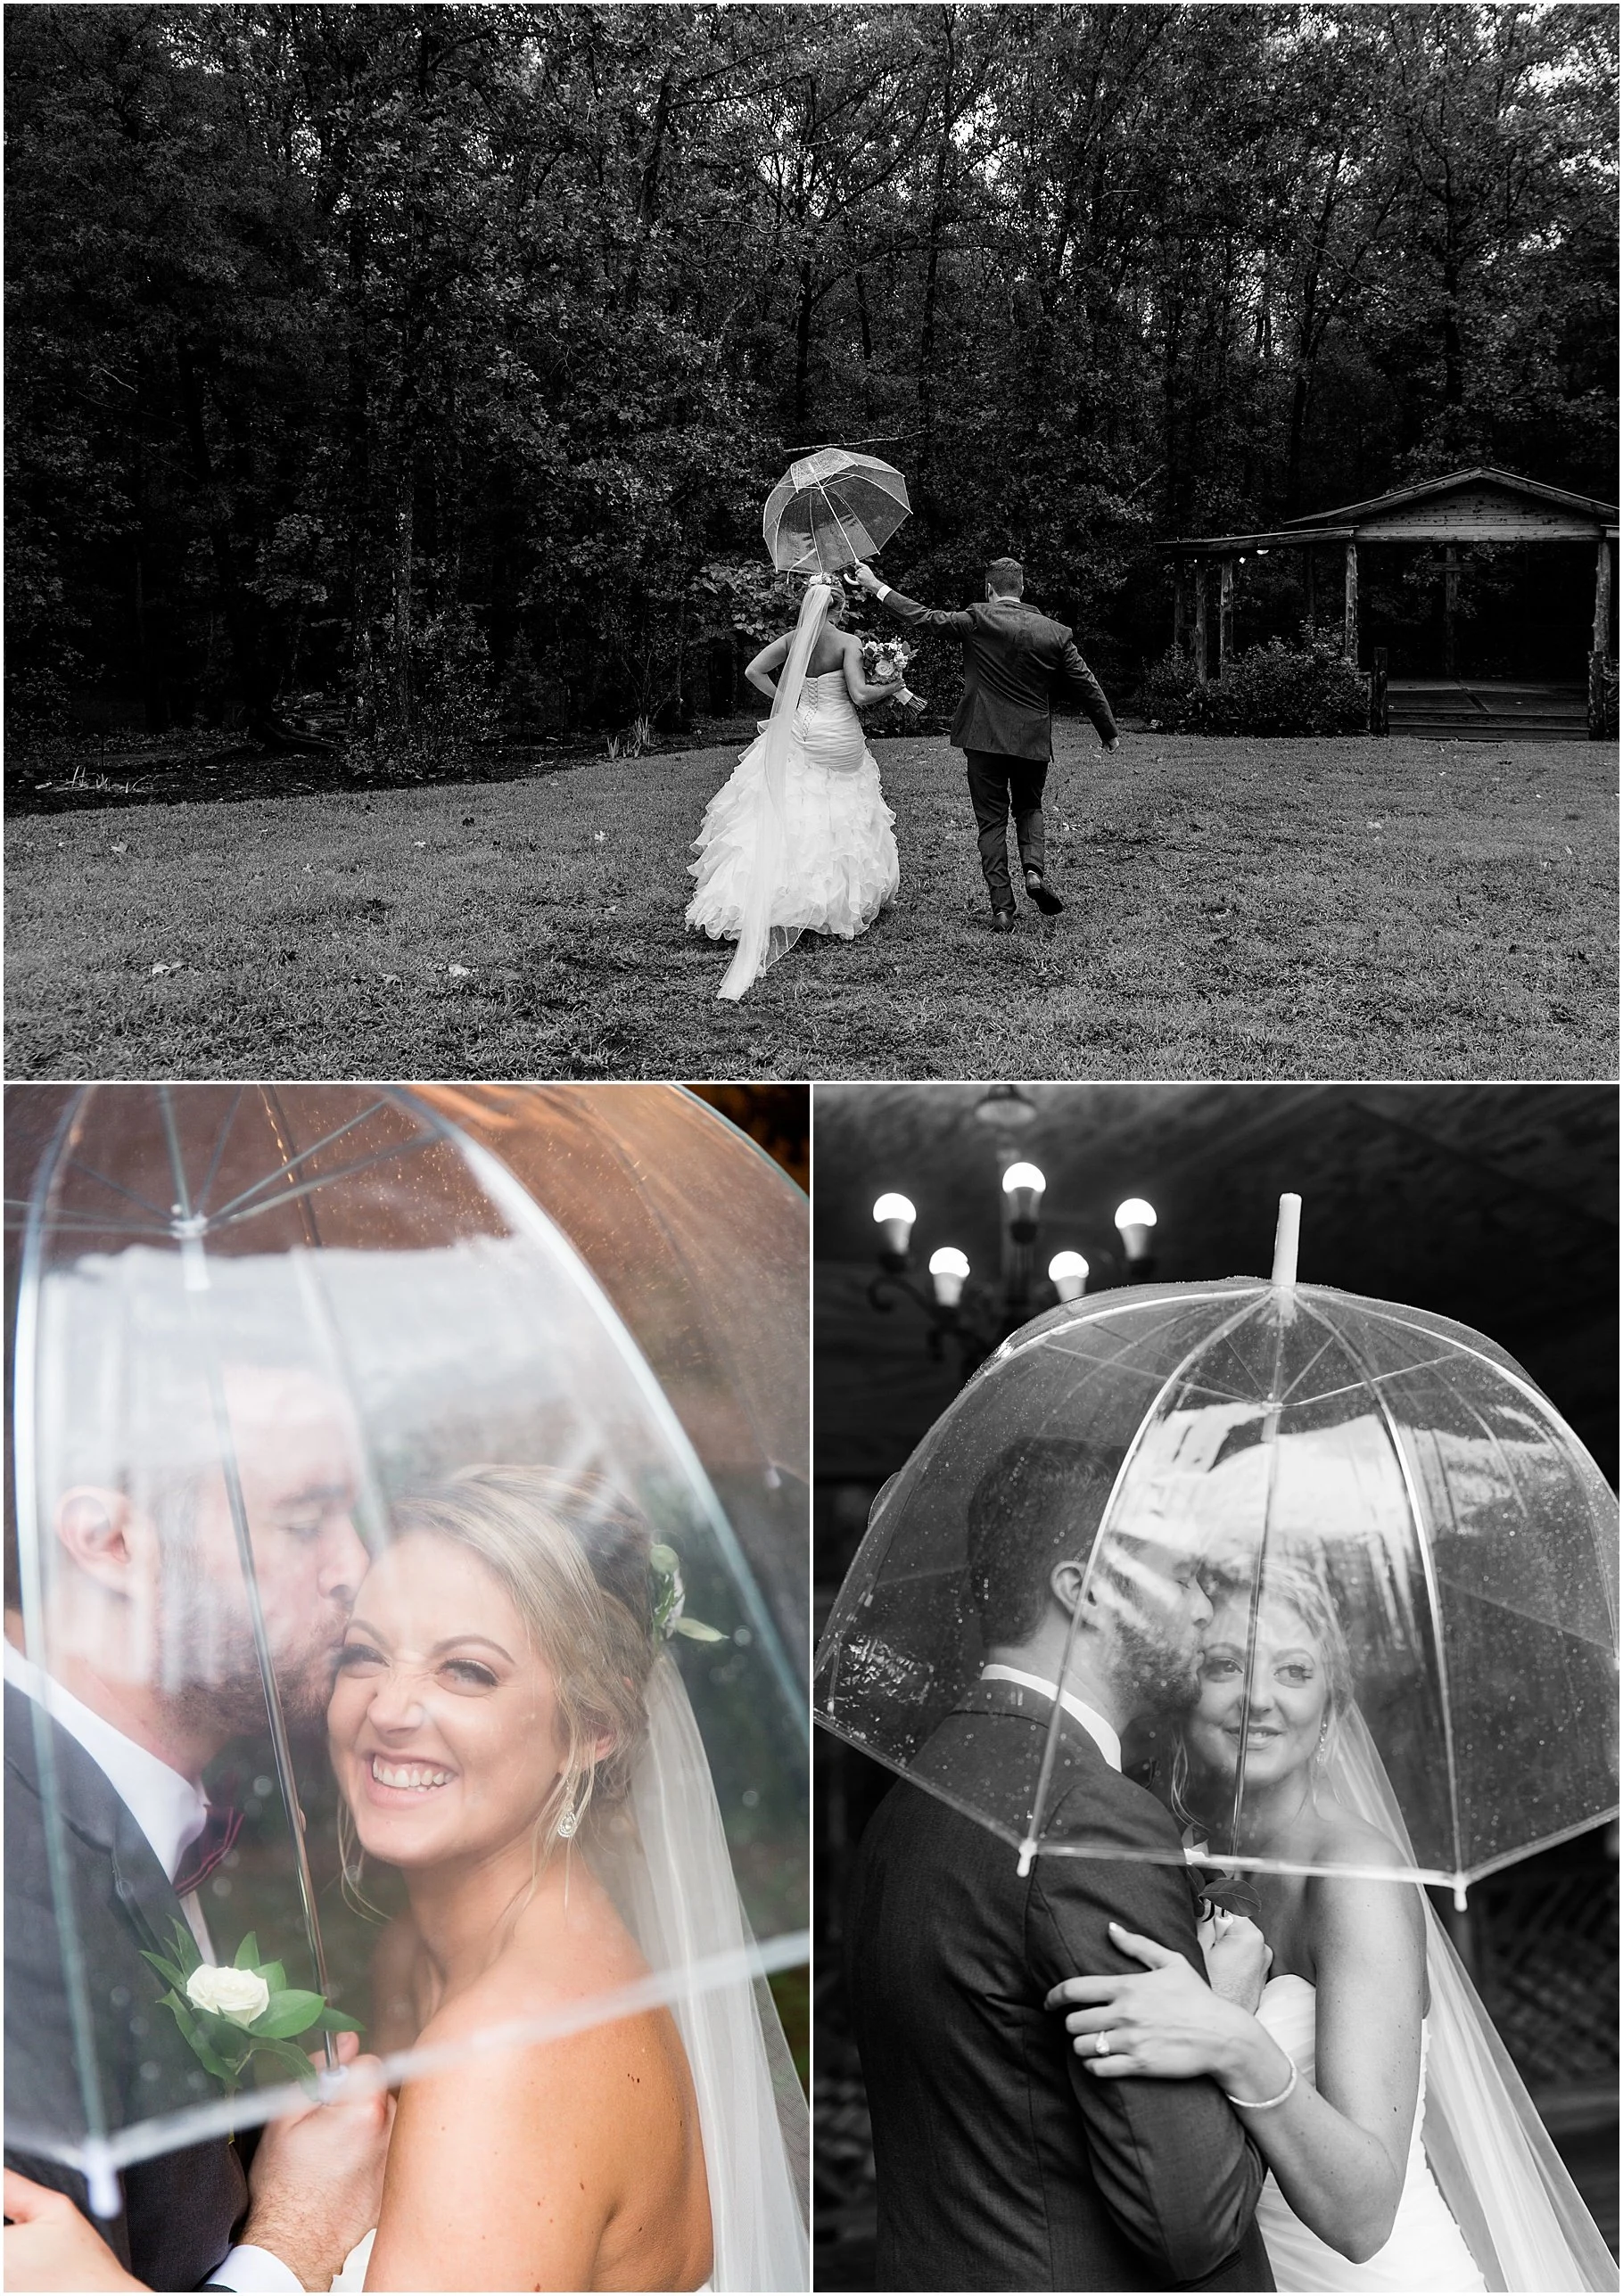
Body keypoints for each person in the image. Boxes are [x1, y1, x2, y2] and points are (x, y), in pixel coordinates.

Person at [1045, 1559, 1617, 2292]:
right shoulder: (1162, 1856)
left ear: (1331, 1714)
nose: (1258, 1698)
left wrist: (1234, 2035)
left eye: (1293, 1671)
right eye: (1224, 1665)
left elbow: (1364, 2213)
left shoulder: (1356, 1876)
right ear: (1180, 1689)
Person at [844, 1436, 1275, 2291]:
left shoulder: (920, 1788)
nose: (1204, 1610)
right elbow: (1193, 2220)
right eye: (1183, 1576)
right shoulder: (1087, 1816)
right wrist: (1231, 2012)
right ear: (1082, 1590)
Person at [4, 1356, 391, 2293]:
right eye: (303, 1520)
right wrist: (292, 2245)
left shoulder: (150, 1805)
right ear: (110, 1542)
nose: (356, 1568)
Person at [852, 554, 1118, 931]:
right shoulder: (1056, 632)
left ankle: (1002, 909)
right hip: (1031, 739)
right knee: (1029, 807)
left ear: (989, 589)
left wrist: (875, 585)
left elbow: (922, 617)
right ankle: (1034, 871)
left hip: (983, 738)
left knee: (990, 822)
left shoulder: (977, 619)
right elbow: (1086, 684)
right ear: (1022, 588)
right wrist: (1108, 732)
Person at [687, 574, 903, 999]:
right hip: (837, 737)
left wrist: (785, 699)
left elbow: (753, 670)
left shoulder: (792, 639)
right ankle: (831, 898)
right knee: (840, 807)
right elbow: (859, 695)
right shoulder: (848, 642)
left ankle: (771, 894)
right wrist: (894, 686)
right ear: (838, 608)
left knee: (789, 805)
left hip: (798, 733)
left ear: (809, 606)